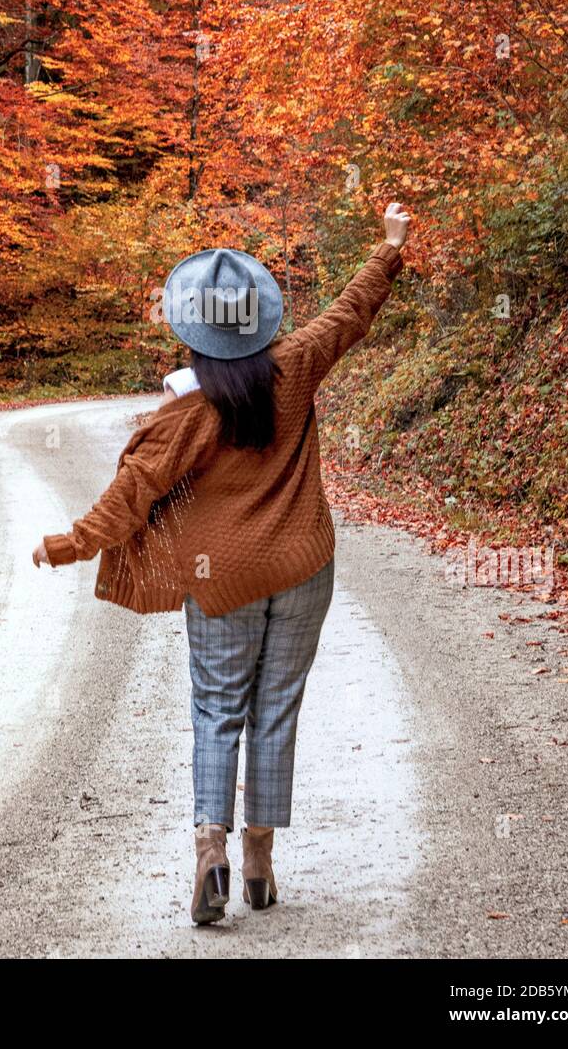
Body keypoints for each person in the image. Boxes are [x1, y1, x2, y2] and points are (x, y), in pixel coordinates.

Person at [33, 201, 410, 924]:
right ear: (259, 318)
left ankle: (212, 848)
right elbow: (351, 313)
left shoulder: (186, 410)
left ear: (194, 327)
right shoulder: (297, 364)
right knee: (276, 712)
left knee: (217, 710)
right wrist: (389, 247)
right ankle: (262, 860)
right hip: (303, 567)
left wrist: (67, 545)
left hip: (218, 579)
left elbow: (130, 497)